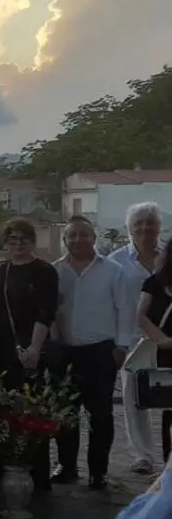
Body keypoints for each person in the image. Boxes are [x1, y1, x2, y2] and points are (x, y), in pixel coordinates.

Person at [51, 216, 134, 490]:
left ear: (93, 238)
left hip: (101, 352)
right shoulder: (55, 271)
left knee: (100, 415)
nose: (78, 240)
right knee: (65, 414)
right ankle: (67, 465)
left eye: (83, 234)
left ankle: (99, 472)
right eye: (72, 235)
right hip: (65, 352)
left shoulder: (113, 270)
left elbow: (125, 309)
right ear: (64, 240)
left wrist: (122, 346)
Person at [0, 217, 59, 488]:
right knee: (0, 410)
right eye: (12, 239)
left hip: (29, 350)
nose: (18, 244)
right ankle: (0, 470)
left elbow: (45, 311)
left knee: (31, 413)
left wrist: (35, 349)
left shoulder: (44, 271)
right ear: (5, 243)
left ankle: (35, 473)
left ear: (33, 241)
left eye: (23, 239)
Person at [110, 202, 165, 474]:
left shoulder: (170, 256)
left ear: (159, 226)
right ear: (129, 228)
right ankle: (142, 455)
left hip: (168, 338)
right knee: (135, 398)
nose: (145, 228)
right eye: (138, 223)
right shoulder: (116, 262)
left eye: (150, 222)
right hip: (134, 341)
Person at [137, 239, 172, 461]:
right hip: (166, 353)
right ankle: (169, 469)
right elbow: (141, 315)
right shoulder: (154, 282)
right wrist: (162, 340)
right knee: (170, 411)